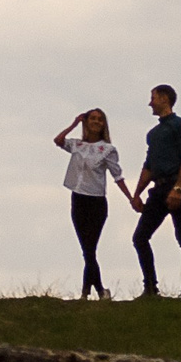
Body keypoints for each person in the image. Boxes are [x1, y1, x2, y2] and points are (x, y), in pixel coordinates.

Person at [52, 108, 137, 299]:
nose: (96, 122)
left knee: (90, 249)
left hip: (96, 202)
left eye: (100, 119)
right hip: (78, 198)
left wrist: (131, 197)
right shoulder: (77, 144)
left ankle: (90, 291)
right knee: (87, 249)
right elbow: (58, 140)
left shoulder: (107, 149)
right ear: (87, 121)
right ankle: (96, 290)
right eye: (93, 119)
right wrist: (74, 123)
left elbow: (118, 176)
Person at [129, 83, 181, 297]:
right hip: (158, 189)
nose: (150, 102)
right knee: (140, 237)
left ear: (164, 99)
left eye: (153, 97)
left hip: (176, 186)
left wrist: (178, 188)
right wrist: (137, 193)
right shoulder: (153, 134)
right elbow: (149, 166)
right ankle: (150, 288)